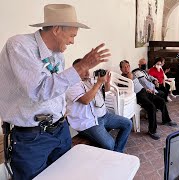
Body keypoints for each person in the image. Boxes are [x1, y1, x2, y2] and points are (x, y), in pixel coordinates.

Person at [0, 4, 110, 179]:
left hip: (60, 128)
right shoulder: (19, 46)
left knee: (64, 175)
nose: (73, 41)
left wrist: (61, 108)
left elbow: (56, 87)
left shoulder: (58, 54)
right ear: (57, 29)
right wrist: (82, 66)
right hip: (32, 138)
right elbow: (38, 90)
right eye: (72, 35)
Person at [66, 59, 132, 152]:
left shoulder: (90, 81)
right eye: (83, 69)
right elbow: (85, 100)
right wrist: (98, 83)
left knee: (128, 124)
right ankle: (116, 153)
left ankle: (118, 152)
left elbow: (106, 90)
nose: (87, 72)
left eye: (87, 69)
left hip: (104, 115)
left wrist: (107, 82)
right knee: (110, 144)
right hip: (88, 123)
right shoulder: (72, 85)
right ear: (75, 71)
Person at [120, 60, 177, 140]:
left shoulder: (133, 74)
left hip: (144, 92)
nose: (127, 68)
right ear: (121, 69)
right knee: (152, 107)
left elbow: (139, 84)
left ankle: (166, 120)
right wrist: (129, 78)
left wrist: (146, 89)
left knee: (161, 101)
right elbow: (127, 89)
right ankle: (152, 131)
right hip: (137, 96)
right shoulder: (121, 78)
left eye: (128, 66)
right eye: (124, 67)